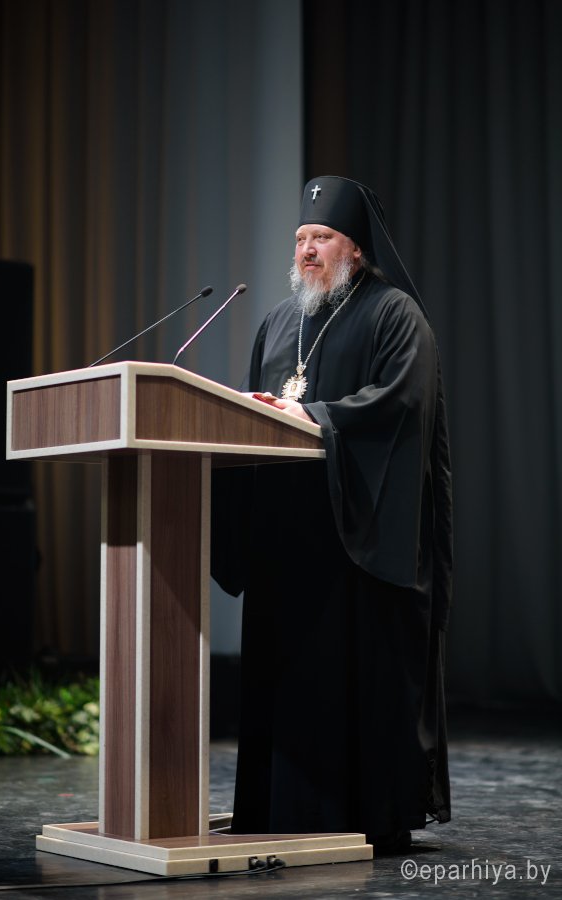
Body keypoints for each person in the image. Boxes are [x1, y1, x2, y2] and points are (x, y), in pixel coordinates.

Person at [211, 175, 453, 853]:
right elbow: (253, 413)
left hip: (355, 543)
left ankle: (364, 816)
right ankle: (279, 811)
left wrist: (311, 416)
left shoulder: (394, 315)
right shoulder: (277, 323)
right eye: (300, 239)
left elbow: (401, 407)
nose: (307, 250)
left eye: (322, 237)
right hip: (284, 542)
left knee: (350, 686)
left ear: (357, 248)